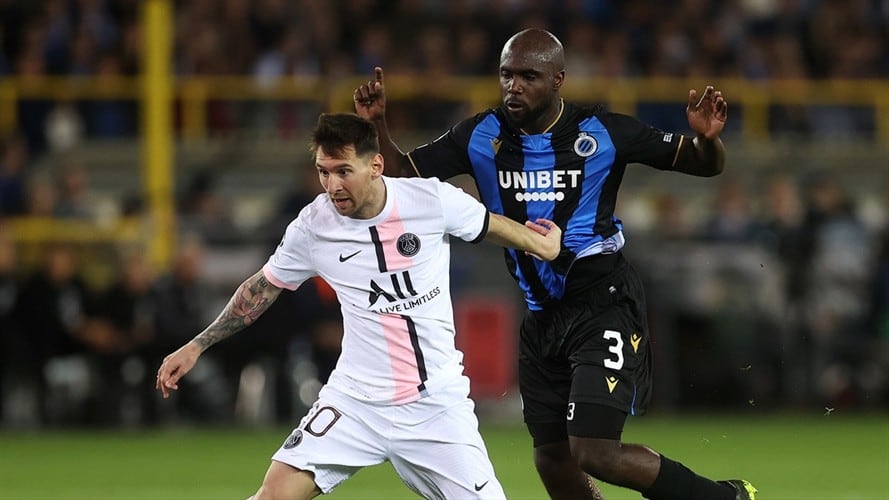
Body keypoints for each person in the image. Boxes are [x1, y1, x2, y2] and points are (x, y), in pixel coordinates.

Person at [354, 28, 757, 500]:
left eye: (529, 76)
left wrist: (707, 140)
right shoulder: (480, 134)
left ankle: (721, 498)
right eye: (506, 75)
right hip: (541, 315)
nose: (514, 86)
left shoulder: (604, 132)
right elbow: (406, 178)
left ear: (559, 79)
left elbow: (702, 164)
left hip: (602, 301)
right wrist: (378, 124)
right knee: (551, 457)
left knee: (594, 451)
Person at [156, 112, 563, 500]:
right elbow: (262, 287)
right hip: (354, 402)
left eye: (343, 171)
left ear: (376, 165)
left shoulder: (431, 201)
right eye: (323, 171)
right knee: (274, 494)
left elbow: (490, 225)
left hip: (434, 405)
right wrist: (197, 345)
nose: (332, 185)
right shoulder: (313, 226)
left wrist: (542, 244)